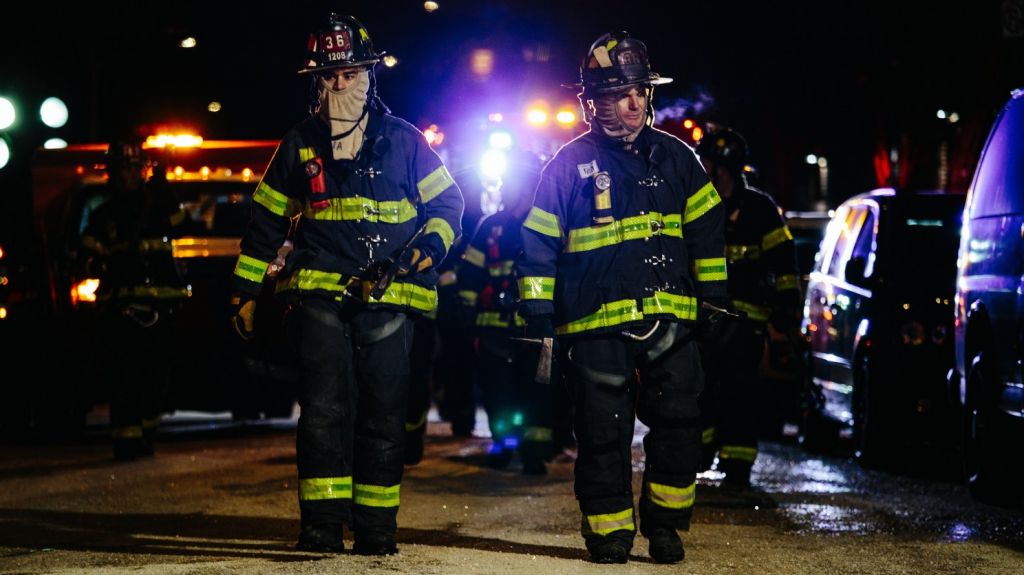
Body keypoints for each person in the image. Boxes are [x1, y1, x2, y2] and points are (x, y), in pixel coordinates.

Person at [229, 13, 463, 555]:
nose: (340, 84)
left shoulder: (405, 143)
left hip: (390, 299)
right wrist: (242, 293)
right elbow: (264, 223)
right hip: (318, 299)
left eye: (351, 73)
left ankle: (377, 528)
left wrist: (426, 249)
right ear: (318, 81)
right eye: (330, 75)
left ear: (369, 76)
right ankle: (322, 526)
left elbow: (449, 205)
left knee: (384, 412)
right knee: (324, 411)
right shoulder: (299, 145)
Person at [517, 31, 727, 564]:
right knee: (601, 430)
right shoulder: (567, 166)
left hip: (671, 316)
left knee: (680, 423)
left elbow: (706, 234)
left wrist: (716, 301)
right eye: (619, 93)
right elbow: (538, 241)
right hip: (593, 323)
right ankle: (609, 531)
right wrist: (538, 312)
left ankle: (666, 527)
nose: (634, 102)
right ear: (593, 101)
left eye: (639, 91)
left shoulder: (678, 159)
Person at [694, 126, 801, 489]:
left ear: (721, 168)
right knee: (699, 388)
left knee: (740, 394)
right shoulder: (695, 205)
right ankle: (700, 453)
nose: (701, 167)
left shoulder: (760, 210)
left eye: (705, 161)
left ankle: (737, 465)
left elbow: (784, 264)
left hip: (745, 325)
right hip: (702, 322)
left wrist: (785, 313)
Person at [80, 139, 190, 461]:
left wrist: (165, 189)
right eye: (120, 169)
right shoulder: (103, 215)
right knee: (124, 378)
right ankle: (126, 443)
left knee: (155, 378)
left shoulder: (157, 205)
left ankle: (146, 434)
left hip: (161, 308)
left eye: (131, 168)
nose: (126, 175)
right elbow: (87, 256)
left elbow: (184, 225)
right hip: (123, 311)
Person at [457, 150, 556, 475]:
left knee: (535, 394)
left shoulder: (548, 226)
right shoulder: (491, 227)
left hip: (535, 328)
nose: (504, 190)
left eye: (512, 184)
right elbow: (471, 274)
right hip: (494, 330)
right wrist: (467, 317)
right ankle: (503, 446)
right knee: (498, 394)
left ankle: (534, 451)